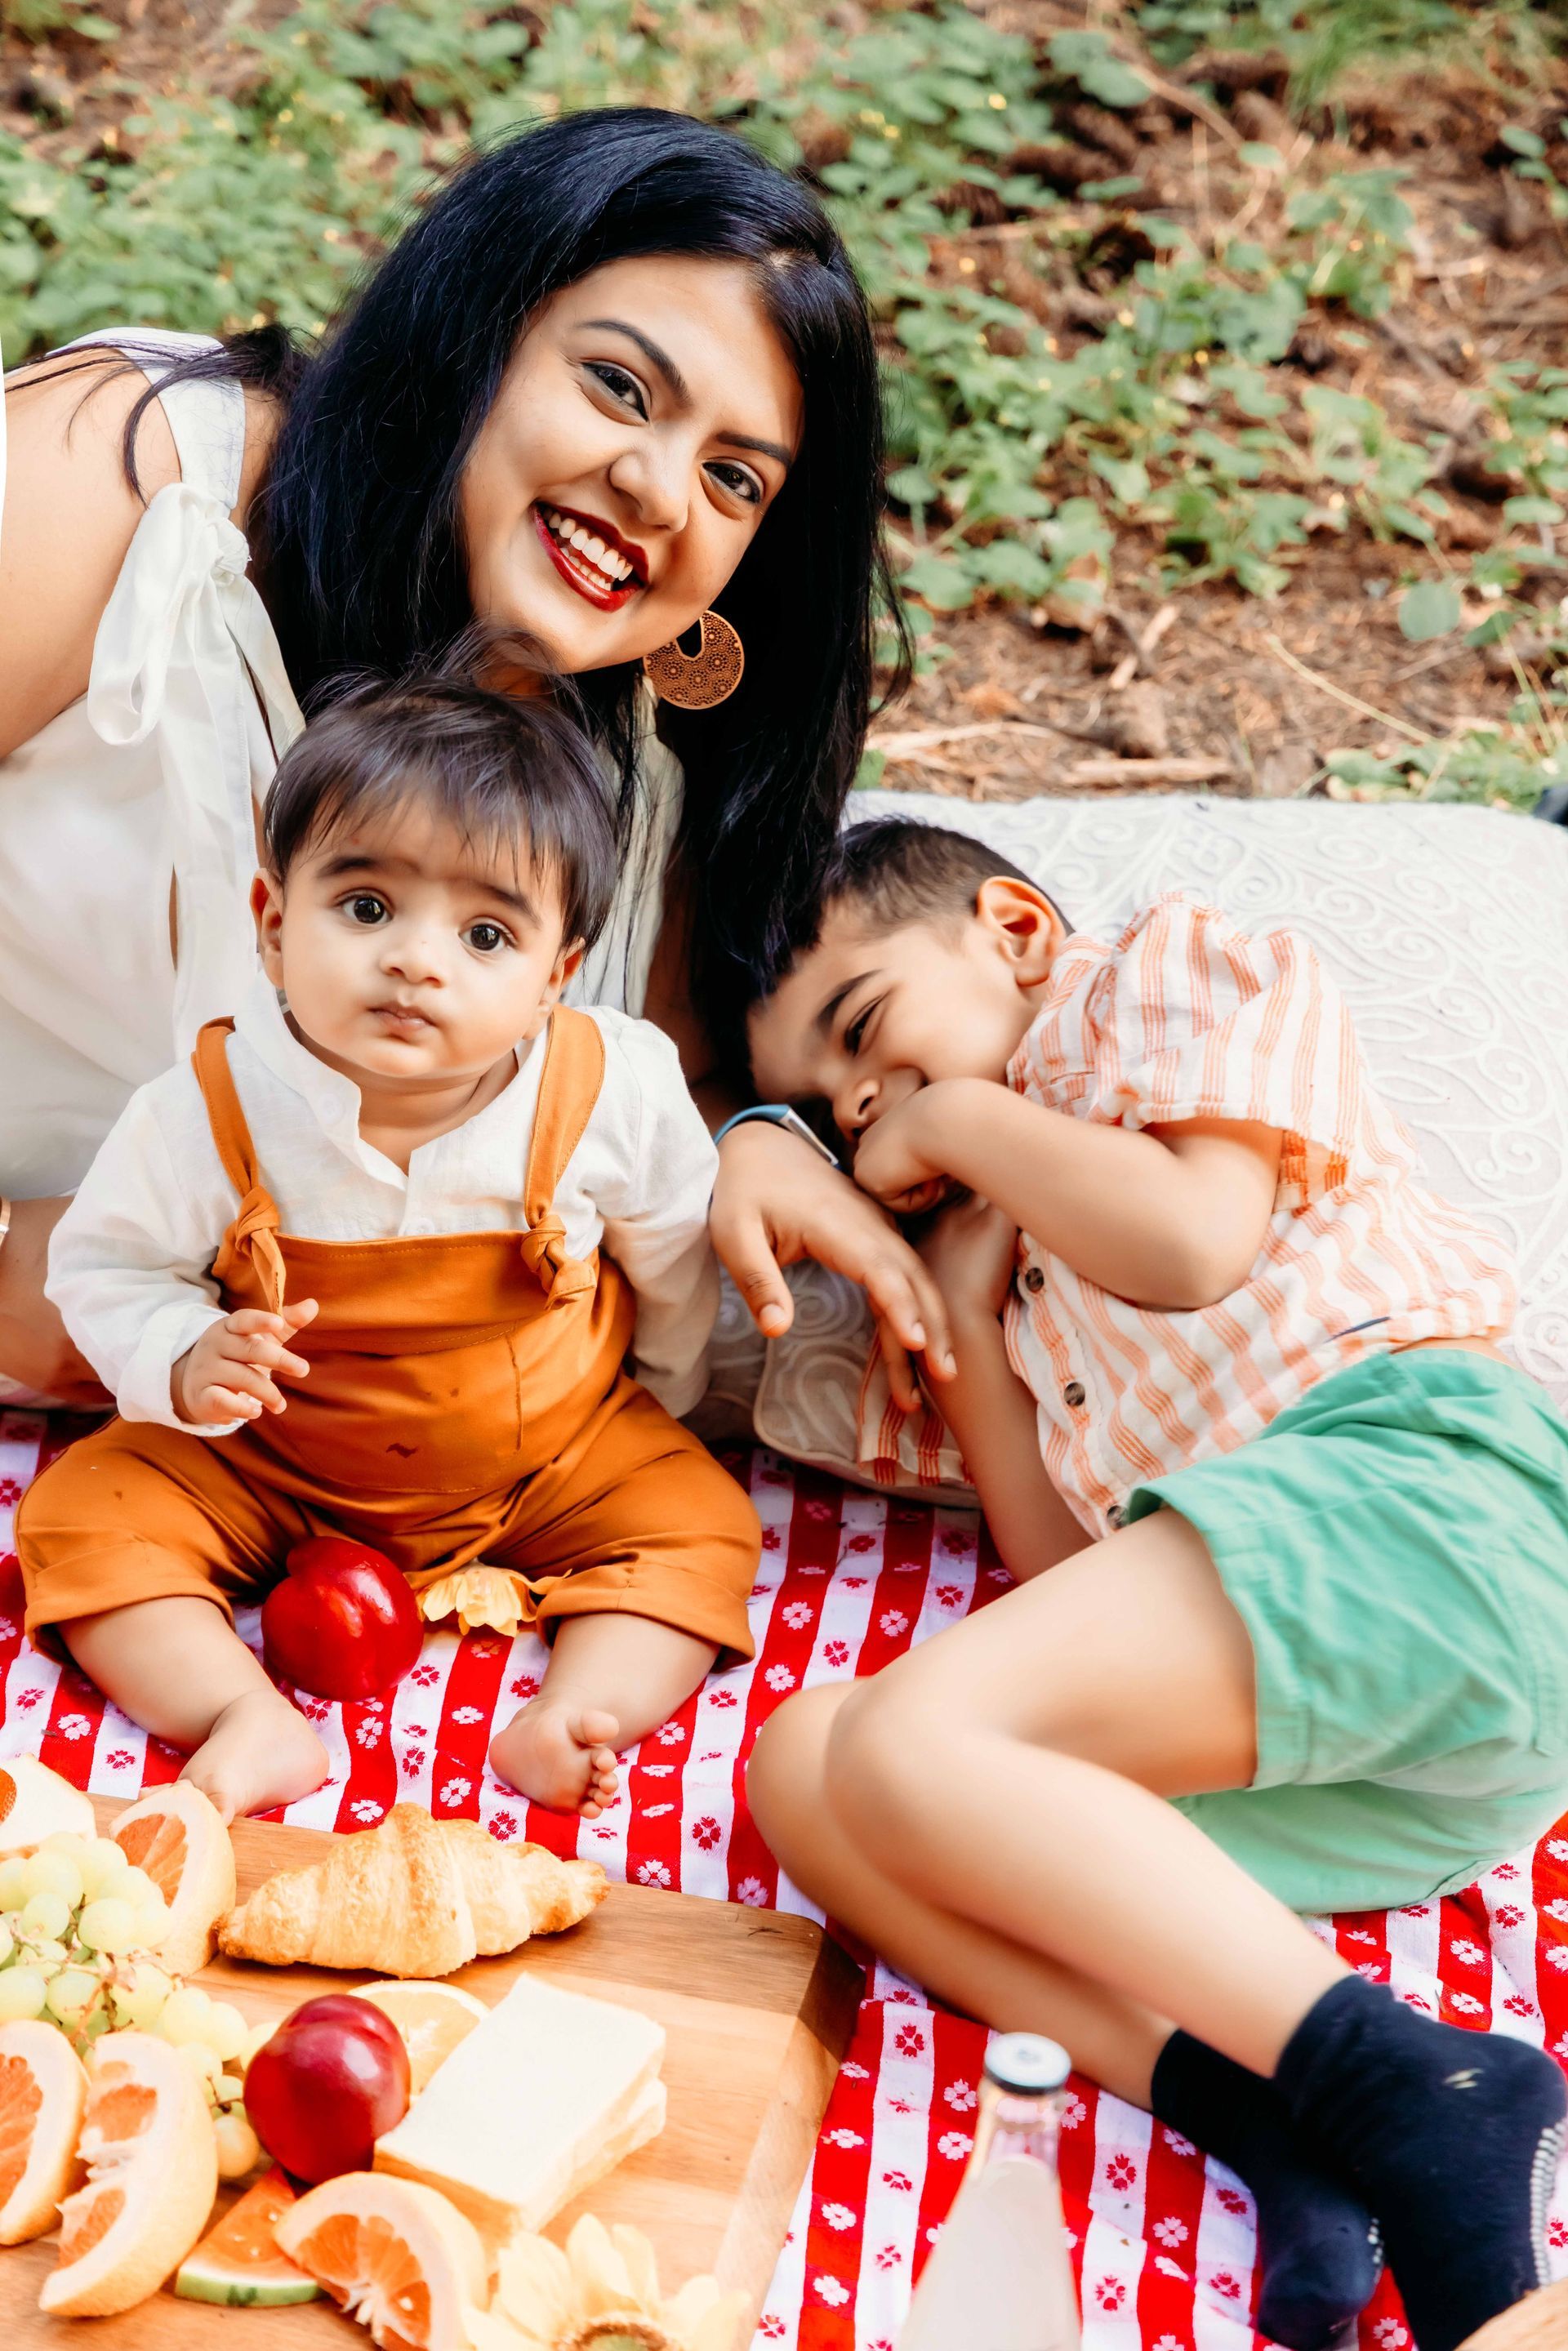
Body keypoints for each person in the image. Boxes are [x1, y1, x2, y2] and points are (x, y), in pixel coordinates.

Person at [744, 818, 1568, 2351]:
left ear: (1015, 929)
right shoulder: (1028, 1265)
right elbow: (1074, 1572)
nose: (864, 1117)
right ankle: (1285, 2117)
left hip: (1436, 1497)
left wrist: (969, 1120)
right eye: (829, 1105)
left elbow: (1195, 1242)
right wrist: (977, 1328)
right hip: (1373, 1746)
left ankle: (1418, 2087)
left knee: (917, 1741)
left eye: (865, 1034)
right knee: (815, 1765)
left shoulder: (1162, 986)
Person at [0, 106, 956, 1422]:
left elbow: (673, 1086)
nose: (662, 491)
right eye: (621, 387)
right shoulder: (142, 474)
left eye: (736, 480)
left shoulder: (640, 787)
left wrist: (750, 1142)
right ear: (477, 335)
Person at [15, 666, 760, 1826]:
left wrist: (664, 1388)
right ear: (272, 925)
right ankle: (237, 1714)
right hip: (265, 1464)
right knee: (82, 1517)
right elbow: (103, 1267)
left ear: (557, 976)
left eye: (485, 932)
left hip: (544, 1460)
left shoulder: (610, 1086)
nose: (418, 961)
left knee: (701, 1524)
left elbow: (672, 1248)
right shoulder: (206, 1109)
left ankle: (573, 1710)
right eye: (366, 908)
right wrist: (181, 1354)